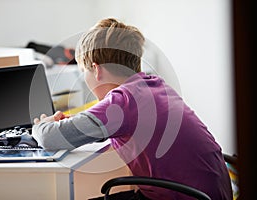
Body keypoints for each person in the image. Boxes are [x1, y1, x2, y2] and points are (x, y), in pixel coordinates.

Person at [32, 18, 233, 200]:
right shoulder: (152, 86)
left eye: (84, 71)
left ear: (96, 70)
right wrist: (73, 120)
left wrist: (41, 125)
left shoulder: (123, 102)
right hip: (210, 192)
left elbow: (50, 138)